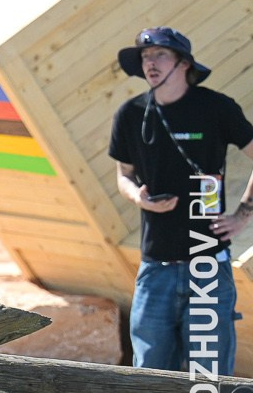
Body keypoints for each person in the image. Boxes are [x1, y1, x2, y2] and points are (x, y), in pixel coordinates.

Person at [108, 27, 253, 373]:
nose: (150, 63)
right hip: (155, 266)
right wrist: (138, 197)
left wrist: (243, 215)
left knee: (210, 379)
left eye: (160, 55)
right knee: (151, 377)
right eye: (145, 57)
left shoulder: (216, 108)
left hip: (207, 262)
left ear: (184, 64)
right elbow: (123, 175)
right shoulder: (130, 114)